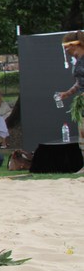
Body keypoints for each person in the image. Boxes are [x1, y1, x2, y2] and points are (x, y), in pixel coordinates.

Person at [56, 30, 84, 172]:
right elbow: (79, 83)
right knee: (82, 133)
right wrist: (67, 94)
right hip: (82, 100)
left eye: (67, 47)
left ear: (76, 44)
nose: (66, 50)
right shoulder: (77, 62)